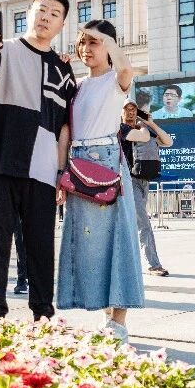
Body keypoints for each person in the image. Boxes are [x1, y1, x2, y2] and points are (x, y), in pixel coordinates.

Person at [0, 0, 76, 321]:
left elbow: (65, 127)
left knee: (40, 245)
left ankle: (43, 315)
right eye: (41, 10)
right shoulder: (5, 49)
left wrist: (62, 171)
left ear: (62, 24)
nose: (46, 17)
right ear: (29, 13)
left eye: (54, 13)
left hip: (43, 166)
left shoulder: (63, 70)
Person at [57, 20, 144, 341]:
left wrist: (106, 38)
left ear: (108, 45)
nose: (86, 49)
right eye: (82, 42)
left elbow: (126, 69)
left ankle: (118, 322)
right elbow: (65, 132)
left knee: (117, 240)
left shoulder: (115, 80)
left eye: (93, 42)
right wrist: (60, 175)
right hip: (79, 167)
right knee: (89, 244)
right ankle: (106, 316)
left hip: (107, 164)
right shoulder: (76, 86)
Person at [118, 101, 171, 275]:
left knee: (131, 224)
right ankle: (153, 265)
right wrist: (144, 125)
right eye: (127, 109)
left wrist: (151, 123)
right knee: (143, 223)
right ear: (121, 112)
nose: (131, 112)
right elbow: (144, 137)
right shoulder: (121, 129)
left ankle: (122, 264)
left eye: (134, 109)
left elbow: (168, 141)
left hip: (144, 181)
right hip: (128, 181)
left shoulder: (144, 129)